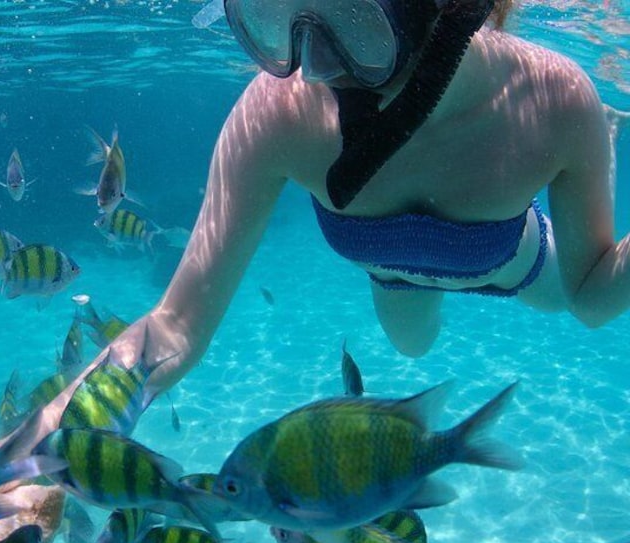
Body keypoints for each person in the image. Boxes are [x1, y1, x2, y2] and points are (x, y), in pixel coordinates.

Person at [79, 0, 628, 411]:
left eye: (351, 17)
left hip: (514, 260)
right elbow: (175, 326)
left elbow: (592, 297)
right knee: (413, 347)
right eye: (282, 11)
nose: (314, 66)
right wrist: (23, 453)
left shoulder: (553, 99)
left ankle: (599, 147)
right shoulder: (276, 115)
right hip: (394, 278)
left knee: (564, 304)